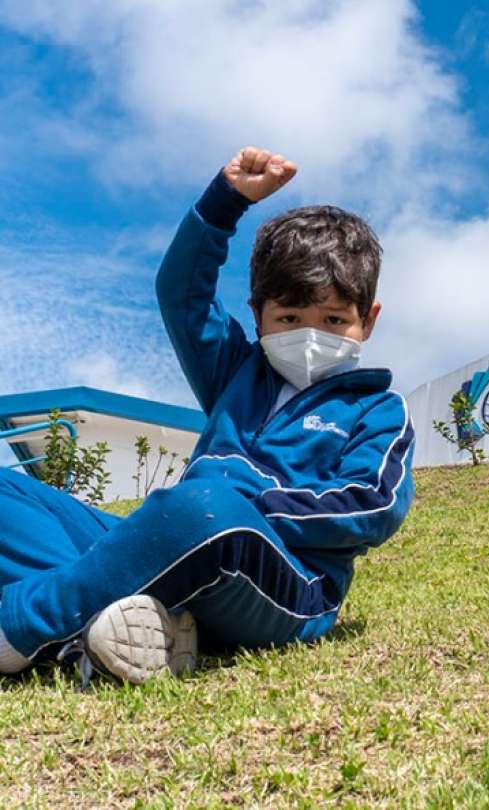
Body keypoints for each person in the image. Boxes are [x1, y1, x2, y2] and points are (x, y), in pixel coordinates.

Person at [0, 147, 414, 684]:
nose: (310, 337)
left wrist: (254, 507)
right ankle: (142, 624)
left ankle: (21, 626)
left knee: (206, 505)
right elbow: (182, 295)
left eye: (334, 319)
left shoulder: (378, 409)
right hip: (182, 540)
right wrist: (226, 202)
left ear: (369, 320)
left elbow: (373, 504)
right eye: (288, 317)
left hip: (289, 583)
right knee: (13, 496)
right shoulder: (235, 371)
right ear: (257, 316)